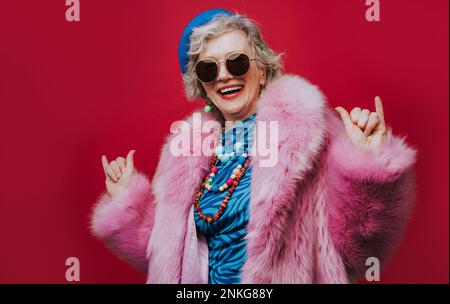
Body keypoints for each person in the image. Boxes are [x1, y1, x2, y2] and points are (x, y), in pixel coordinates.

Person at [90, 9, 416, 283]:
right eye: (208, 68)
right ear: (201, 85)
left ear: (261, 69)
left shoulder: (308, 131)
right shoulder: (185, 153)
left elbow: (359, 250)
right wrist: (129, 205)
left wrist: (366, 165)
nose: (223, 76)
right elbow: (167, 260)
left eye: (237, 62)